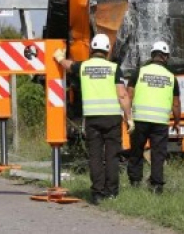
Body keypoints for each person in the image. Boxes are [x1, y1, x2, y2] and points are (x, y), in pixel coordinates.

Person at [54, 33, 133, 205]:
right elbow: (122, 94)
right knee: (111, 156)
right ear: (107, 51)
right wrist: (130, 118)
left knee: (95, 156)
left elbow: (69, 66)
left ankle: (97, 193)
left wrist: (59, 58)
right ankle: (111, 192)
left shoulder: (84, 67)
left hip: (92, 119)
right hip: (112, 119)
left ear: (91, 49)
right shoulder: (114, 69)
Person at [127, 40, 181, 194]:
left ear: (152, 55)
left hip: (140, 120)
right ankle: (157, 186)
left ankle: (135, 182)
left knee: (136, 151)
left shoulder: (139, 72)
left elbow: (129, 95)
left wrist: (128, 116)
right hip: (160, 123)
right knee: (158, 154)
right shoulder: (171, 77)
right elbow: (176, 104)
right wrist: (177, 122)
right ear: (166, 57)